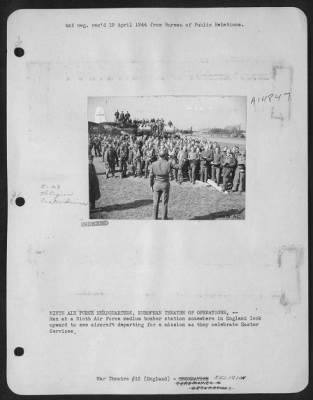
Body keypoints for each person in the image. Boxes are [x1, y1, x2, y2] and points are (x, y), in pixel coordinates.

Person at [150, 149, 171, 220]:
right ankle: (164, 219)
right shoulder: (168, 163)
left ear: (158, 155)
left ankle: (154, 218)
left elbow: (151, 176)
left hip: (156, 184)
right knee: (164, 203)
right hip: (165, 184)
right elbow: (177, 167)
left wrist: (151, 185)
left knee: (155, 203)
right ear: (165, 155)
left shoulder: (153, 164)